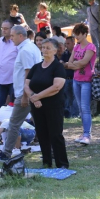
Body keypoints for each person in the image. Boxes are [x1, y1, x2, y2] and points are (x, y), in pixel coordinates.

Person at [0, 25, 41, 162]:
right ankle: (48, 151)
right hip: (32, 92)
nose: (10, 39)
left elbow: (28, 73)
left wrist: (25, 95)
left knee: (13, 124)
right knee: (39, 122)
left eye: (12, 36)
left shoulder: (25, 50)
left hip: (26, 93)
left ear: (20, 36)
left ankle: (6, 153)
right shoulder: (31, 47)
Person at [25, 38, 69, 168]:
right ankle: (46, 161)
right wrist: (33, 98)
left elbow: (56, 87)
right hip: (37, 106)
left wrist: (37, 96)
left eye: (48, 48)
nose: (44, 50)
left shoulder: (58, 67)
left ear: (55, 50)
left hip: (53, 106)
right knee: (42, 133)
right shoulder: (36, 67)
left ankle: (62, 163)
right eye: (43, 47)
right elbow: (26, 85)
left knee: (55, 134)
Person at [64, 23, 96, 145]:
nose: (76, 36)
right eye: (75, 34)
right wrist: (75, 64)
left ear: (84, 34)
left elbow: (83, 62)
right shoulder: (76, 47)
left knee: (85, 108)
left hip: (86, 81)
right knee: (81, 109)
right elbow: (69, 63)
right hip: (76, 80)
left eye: (78, 34)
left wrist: (74, 65)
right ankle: (84, 133)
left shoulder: (91, 47)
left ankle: (87, 134)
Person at [0, 20, 17, 111]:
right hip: (1, 78)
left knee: (14, 102)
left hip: (13, 78)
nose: (3, 30)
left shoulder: (16, 42)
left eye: (6, 28)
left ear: (12, 29)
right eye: (2, 28)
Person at [60, 36, 78, 118]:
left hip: (75, 79)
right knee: (68, 98)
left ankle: (75, 114)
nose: (66, 45)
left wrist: (67, 65)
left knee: (75, 98)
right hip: (67, 79)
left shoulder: (77, 53)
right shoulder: (65, 54)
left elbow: (77, 65)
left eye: (68, 43)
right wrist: (71, 65)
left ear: (73, 43)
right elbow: (61, 64)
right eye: (66, 43)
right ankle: (68, 114)